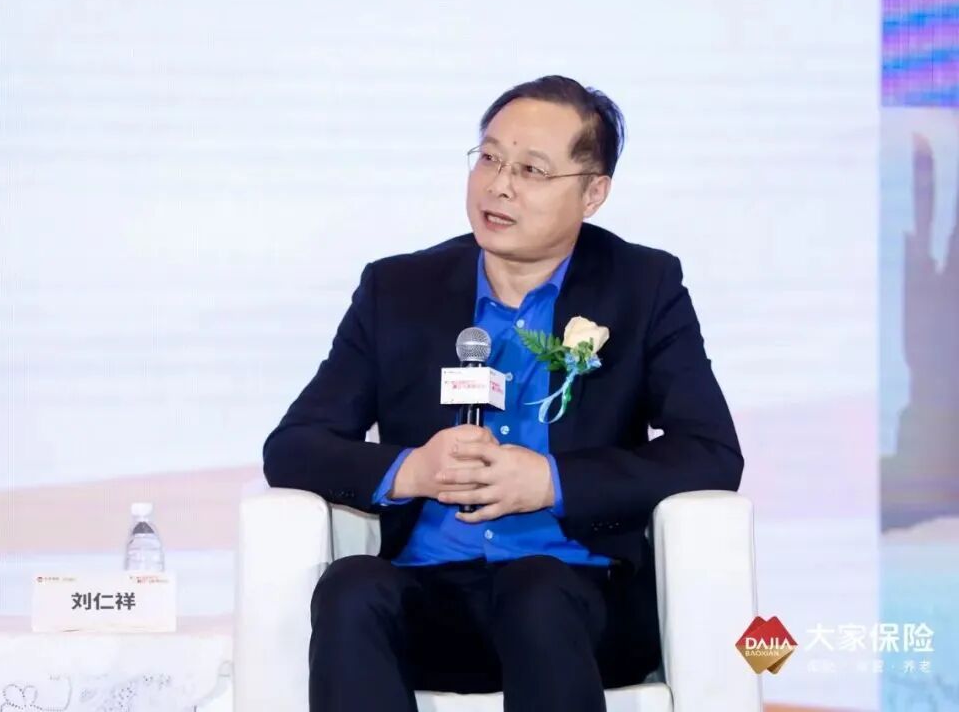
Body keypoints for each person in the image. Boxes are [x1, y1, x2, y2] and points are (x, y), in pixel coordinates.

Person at [262, 74, 743, 712]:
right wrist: (412, 470)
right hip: (431, 596)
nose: (499, 185)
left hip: (578, 601)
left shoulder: (643, 286)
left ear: (593, 193)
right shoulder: (398, 289)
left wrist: (551, 482)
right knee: (351, 588)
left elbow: (711, 452)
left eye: (532, 170)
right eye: (489, 158)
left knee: (535, 589)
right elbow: (293, 447)